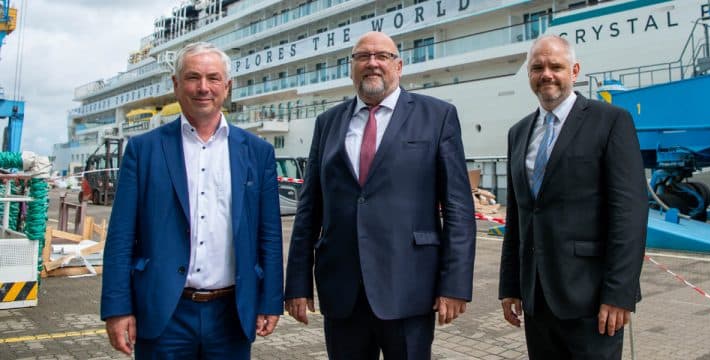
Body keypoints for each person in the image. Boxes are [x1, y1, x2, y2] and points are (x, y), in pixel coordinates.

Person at [284, 31, 476, 359]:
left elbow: (458, 205)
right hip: (342, 290)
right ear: (351, 67)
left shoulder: (437, 116)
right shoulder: (327, 122)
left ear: (398, 66)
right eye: (362, 56)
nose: (372, 63)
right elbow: (309, 209)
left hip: (410, 286)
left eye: (382, 56)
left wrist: (455, 283)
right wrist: (297, 284)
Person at [101, 42, 283, 359]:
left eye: (213, 78)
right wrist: (117, 309)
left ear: (227, 87)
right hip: (164, 311)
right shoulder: (143, 150)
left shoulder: (257, 151)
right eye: (192, 77)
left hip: (231, 313)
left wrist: (269, 301)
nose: (203, 88)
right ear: (175, 84)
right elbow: (121, 236)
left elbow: (269, 234)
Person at [499, 35, 647, 359]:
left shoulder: (610, 122)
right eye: (537, 67)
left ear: (575, 70)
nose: (546, 74)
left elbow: (629, 214)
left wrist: (619, 293)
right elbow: (518, 217)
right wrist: (510, 285)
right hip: (537, 299)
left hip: (592, 301)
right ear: (529, 75)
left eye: (556, 66)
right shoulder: (519, 133)